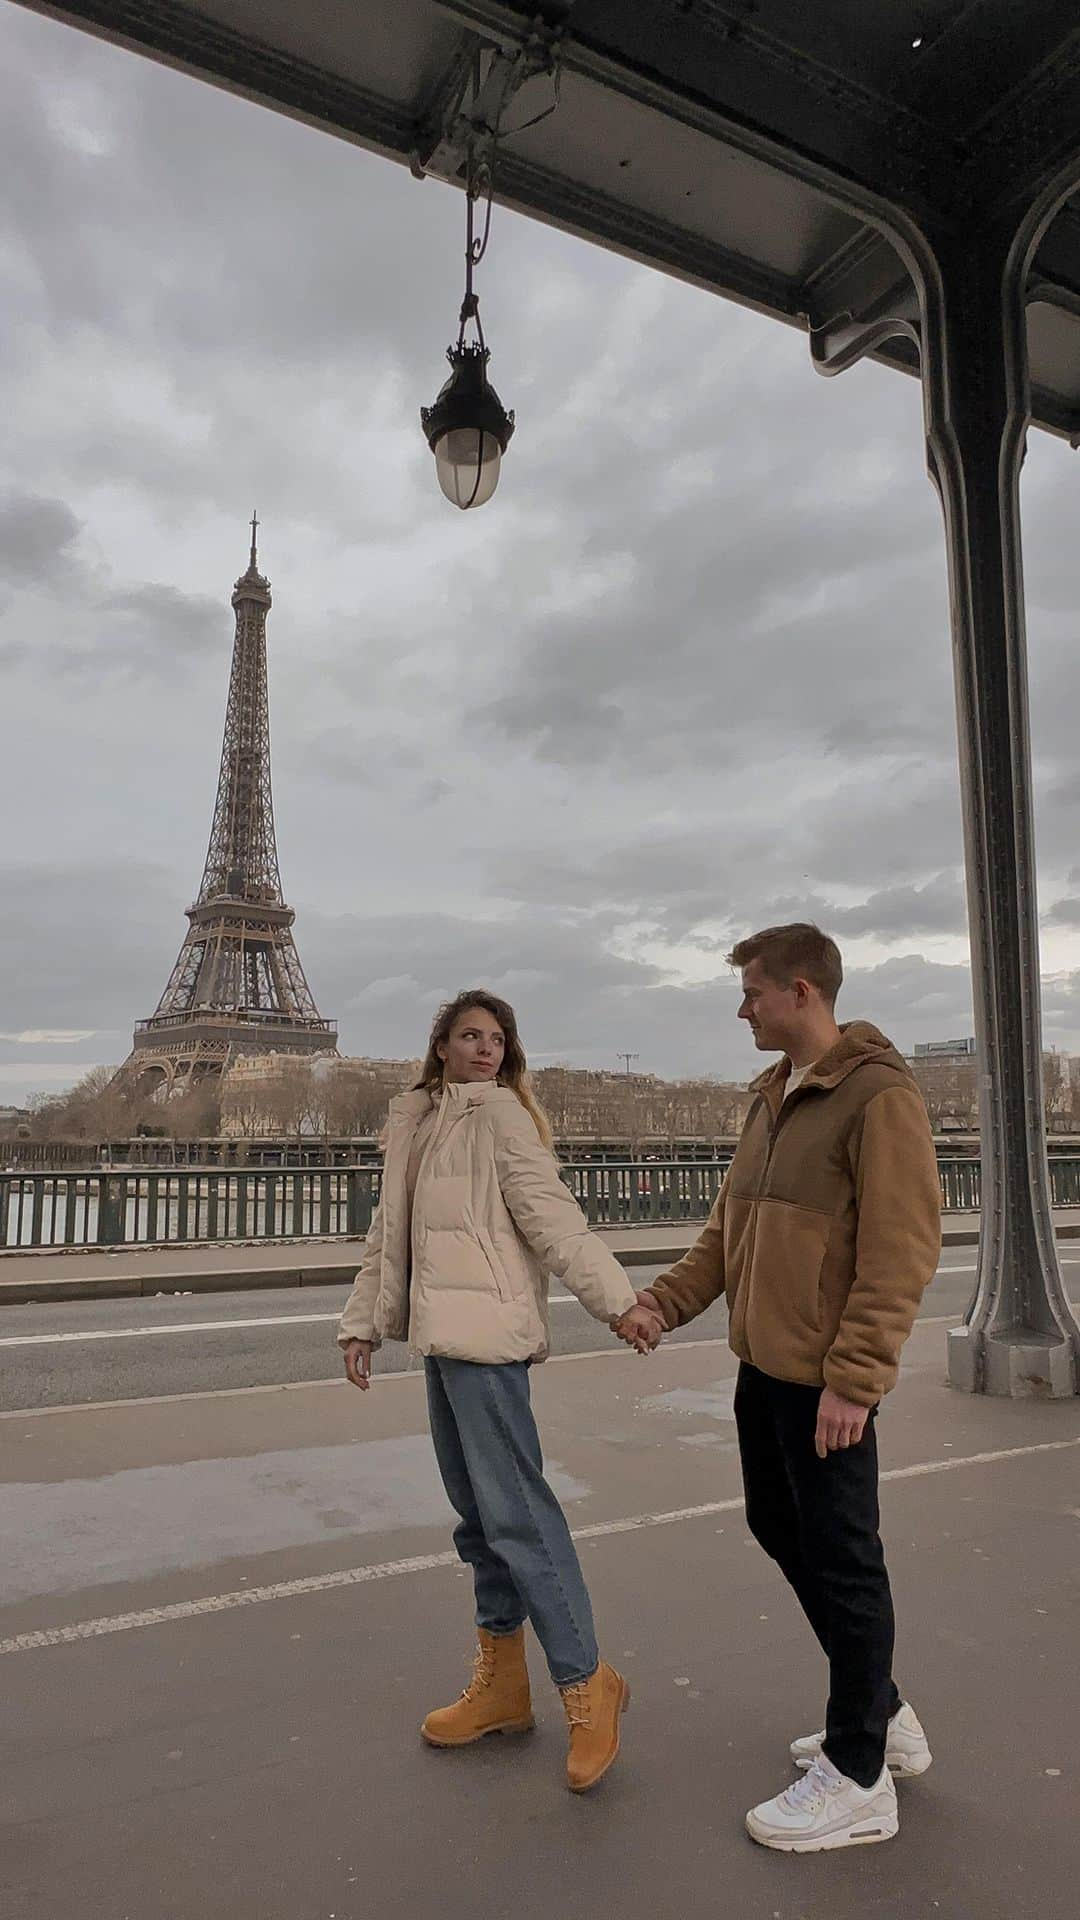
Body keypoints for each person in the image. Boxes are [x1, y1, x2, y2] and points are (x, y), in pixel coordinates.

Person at [617, 924, 942, 1852]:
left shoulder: (878, 1096)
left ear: (802, 992)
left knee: (844, 1556)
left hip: (824, 1382)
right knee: (779, 1524)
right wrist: (662, 1305)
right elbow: (729, 1236)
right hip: (764, 1367)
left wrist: (857, 1381)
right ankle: (881, 1711)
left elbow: (901, 1250)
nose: (742, 1008)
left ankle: (858, 1775)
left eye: (753, 992)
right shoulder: (771, 1098)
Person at [338, 989, 649, 1792]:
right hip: (443, 1343)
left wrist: (620, 1303)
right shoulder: (416, 1122)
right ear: (439, 1045)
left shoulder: (504, 1119)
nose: (485, 1048)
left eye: (497, 1037)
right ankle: (504, 1685)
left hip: (489, 1345)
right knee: (479, 1521)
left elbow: (556, 1223)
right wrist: (362, 1322)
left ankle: (587, 1682)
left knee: (518, 1516)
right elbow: (390, 1235)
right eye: (469, 1035)